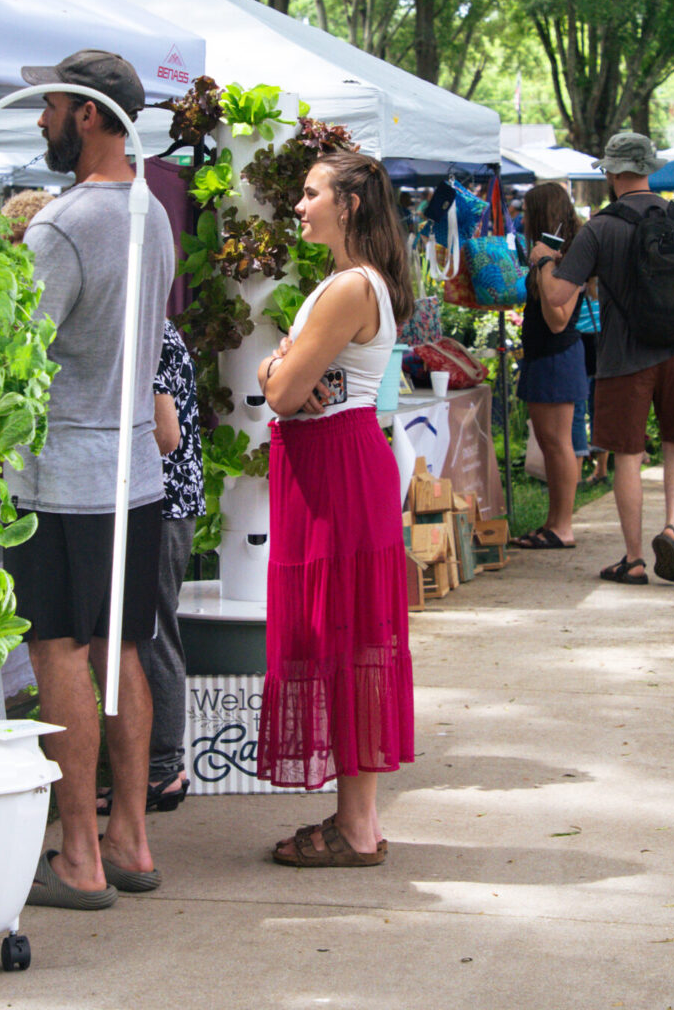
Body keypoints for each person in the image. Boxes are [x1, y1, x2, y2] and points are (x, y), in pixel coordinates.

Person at [1, 50, 173, 908]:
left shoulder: (62, 225)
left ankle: (78, 854)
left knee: (59, 648)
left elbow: (13, 355)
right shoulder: (151, 212)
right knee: (122, 649)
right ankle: (130, 838)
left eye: (54, 106)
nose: (41, 119)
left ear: (93, 116)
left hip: (62, 472)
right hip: (133, 469)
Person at [254, 151, 415, 866]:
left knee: (347, 639)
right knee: (346, 639)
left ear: (348, 203)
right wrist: (278, 368)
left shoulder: (351, 286)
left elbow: (285, 392)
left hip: (337, 467)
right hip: (332, 464)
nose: (300, 205)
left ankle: (357, 826)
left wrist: (276, 368)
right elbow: (286, 381)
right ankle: (359, 821)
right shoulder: (353, 284)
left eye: (312, 193)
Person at [534, 131, 674, 585]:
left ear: (613, 173)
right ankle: (673, 529)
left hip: (624, 358)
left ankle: (634, 558)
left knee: (628, 456)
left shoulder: (600, 227)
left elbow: (558, 293)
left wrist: (542, 261)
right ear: (650, 169)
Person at [106, 319, 203, 813]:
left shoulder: (143, 332)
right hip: (166, 502)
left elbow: (165, 434)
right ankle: (160, 767)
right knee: (150, 630)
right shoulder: (154, 327)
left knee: (151, 632)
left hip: (157, 503)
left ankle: (164, 768)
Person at [510, 183, 587, 550]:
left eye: (526, 211)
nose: (522, 219)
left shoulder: (566, 256)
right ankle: (554, 522)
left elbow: (558, 318)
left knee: (558, 445)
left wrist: (543, 263)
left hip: (557, 354)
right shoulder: (554, 252)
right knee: (549, 443)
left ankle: (563, 526)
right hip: (543, 356)